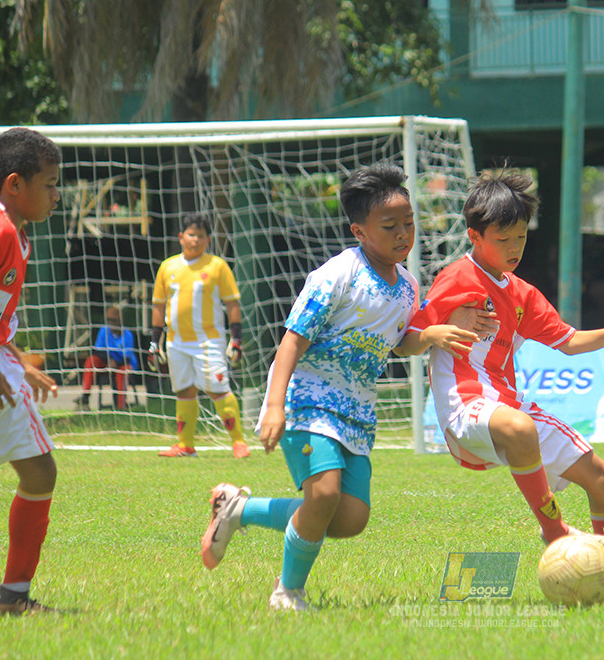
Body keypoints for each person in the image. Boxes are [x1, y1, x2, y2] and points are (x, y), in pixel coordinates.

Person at [198, 163, 487, 611]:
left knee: (350, 518)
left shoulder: (408, 287)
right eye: (389, 226)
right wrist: (274, 406)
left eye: (409, 223)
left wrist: (430, 335)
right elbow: (292, 341)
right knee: (324, 494)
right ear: (359, 231)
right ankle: (287, 593)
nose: (403, 234)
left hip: (357, 411)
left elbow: (399, 342)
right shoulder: (337, 274)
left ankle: (237, 510)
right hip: (307, 399)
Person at [403, 169, 604, 603]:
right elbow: (406, 342)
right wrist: (434, 334)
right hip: (463, 406)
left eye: (522, 238)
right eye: (503, 239)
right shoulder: (457, 278)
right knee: (521, 428)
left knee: (603, 479)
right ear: (474, 236)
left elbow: (570, 342)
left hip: (509, 405)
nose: (514, 248)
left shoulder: (523, 294)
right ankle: (556, 532)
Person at [0, 127, 62, 616]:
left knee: (39, 470)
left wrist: (17, 361)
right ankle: (12, 597)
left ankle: (13, 597)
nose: (56, 195)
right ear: (15, 184)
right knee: (39, 471)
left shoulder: (13, 233)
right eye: (49, 184)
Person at [148, 214, 250, 458]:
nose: (195, 240)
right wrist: (154, 341)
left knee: (218, 389)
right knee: (184, 391)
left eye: (201, 236)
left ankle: (238, 442)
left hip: (208, 341)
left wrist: (236, 337)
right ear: (181, 237)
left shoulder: (217, 266)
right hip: (176, 342)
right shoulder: (168, 267)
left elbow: (232, 303)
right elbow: (158, 305)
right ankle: (186, 445)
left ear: (208, 240)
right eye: (191, 235)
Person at [77, 305, 139, 410]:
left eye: (113, 320)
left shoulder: (127, 335)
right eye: (109, 320)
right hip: (107, 361)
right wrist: (109, 361)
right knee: (91, 361)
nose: (111, 323)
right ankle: (85, 397)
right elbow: (98, 351)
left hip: (123, 363)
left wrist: (116, 363)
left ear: (120, 321)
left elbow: (127, 357)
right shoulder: (104, 331)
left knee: (122, 372)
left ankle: (120, 406)